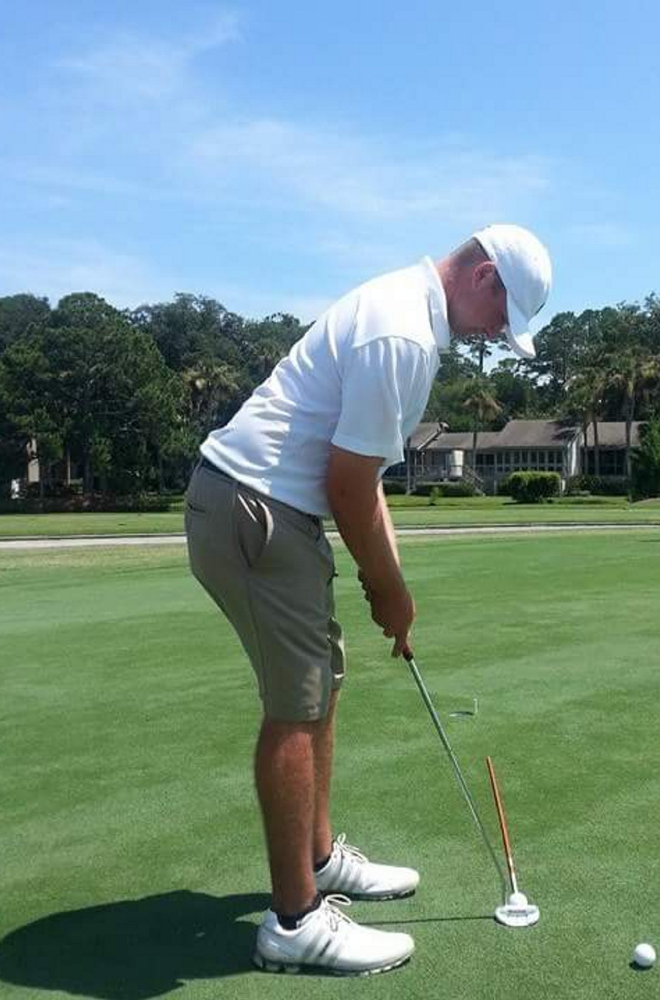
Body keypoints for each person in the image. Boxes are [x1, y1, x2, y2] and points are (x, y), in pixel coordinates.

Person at [184, 225, 552, 976]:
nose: (492, 336)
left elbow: (365, 478)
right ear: (484, 276)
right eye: (501, 318)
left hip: (270, 509)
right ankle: (294, 922)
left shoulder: (400, 310)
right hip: (255, 509)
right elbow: (346, 486)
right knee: (296, 703)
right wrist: (388, 587)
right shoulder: (404, 335)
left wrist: (394, 586)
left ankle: (318, 859)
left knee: (321, 684)